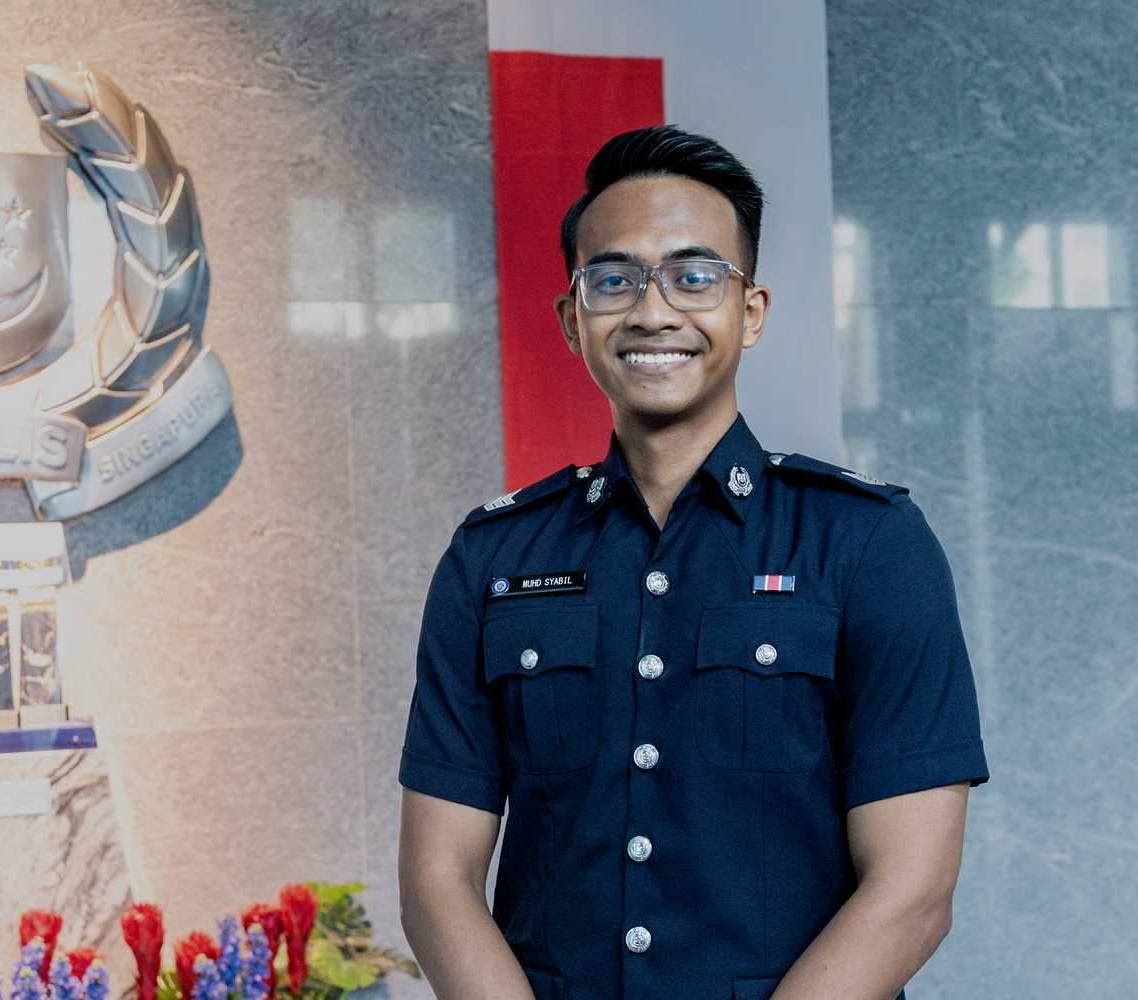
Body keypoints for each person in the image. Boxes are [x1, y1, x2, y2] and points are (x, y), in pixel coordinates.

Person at [396, 125, 990, 999]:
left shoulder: (867, 544)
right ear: (573, 319)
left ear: (749, 312)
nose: (652, 310)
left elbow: (913, 892)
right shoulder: (491, 560)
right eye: (614, 279)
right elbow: (435, 883)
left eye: (694, 275)